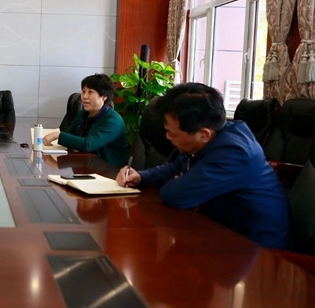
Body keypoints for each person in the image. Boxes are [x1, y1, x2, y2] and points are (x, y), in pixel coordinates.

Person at [116, 83, 291, 249]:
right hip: (218, 232)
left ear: (204, 134)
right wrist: (141, 176)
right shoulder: (212, 136)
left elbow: (175, 195)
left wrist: (182, 183)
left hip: (255, 248)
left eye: (172, 133)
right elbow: (175, 167)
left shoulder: (234, 152)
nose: (168, 137)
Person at [43, 73, 128, 168]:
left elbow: (88, 144)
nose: (84, 96)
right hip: (85, 165)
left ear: (104, 96)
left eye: (90, 92)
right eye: (83, 91)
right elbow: (69, 135)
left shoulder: (113, 120)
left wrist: (57, 135)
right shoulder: (83, 114)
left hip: (109, 171)